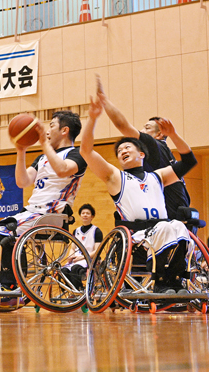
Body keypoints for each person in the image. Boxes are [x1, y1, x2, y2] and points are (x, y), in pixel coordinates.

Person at [81, 76, 196, 293]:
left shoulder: (157, 175)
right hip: (137, 238)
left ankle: (175, 283)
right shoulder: (116, 176)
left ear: (143, 153)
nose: (123, 150)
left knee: (178, 226)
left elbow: (190, 161)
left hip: (163, 230)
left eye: (128, 147)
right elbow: (86, 151)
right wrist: (93, 119)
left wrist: (175, 134)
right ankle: (161, 283)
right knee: (167, 226)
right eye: (119, 150)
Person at [0, 110, 87, 289]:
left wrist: (44, 143)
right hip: (32, 212)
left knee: (1, 233)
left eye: (51, 125)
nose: (47, 130)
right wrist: (21, 151)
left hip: (53, 213)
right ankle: (1, 283)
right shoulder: (42, 158)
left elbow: (62, 170)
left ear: (65, 130)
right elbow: (22, 182)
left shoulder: (77, 154)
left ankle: (16, 285)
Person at [96, 83, 191, 220]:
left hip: (169, 217)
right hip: (181, 212)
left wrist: (104, 100)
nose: (141, 131)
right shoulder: (165, 152)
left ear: (159, 135)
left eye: (147, 128)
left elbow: (122, 125)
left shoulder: (153, 145)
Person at [61, 204, 104, 289]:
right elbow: (73, 248)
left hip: (89, 259)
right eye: (83, 213)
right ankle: (72, 291)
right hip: (77, 259)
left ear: (92, 216)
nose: (85, 215)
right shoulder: (76, 231)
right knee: (63, 271)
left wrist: (82, 257)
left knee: (75, 269)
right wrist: (70, 257)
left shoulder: (96, 231)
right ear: (80, 216)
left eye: (87, 213)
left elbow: (97, 250)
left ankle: (79, 291)